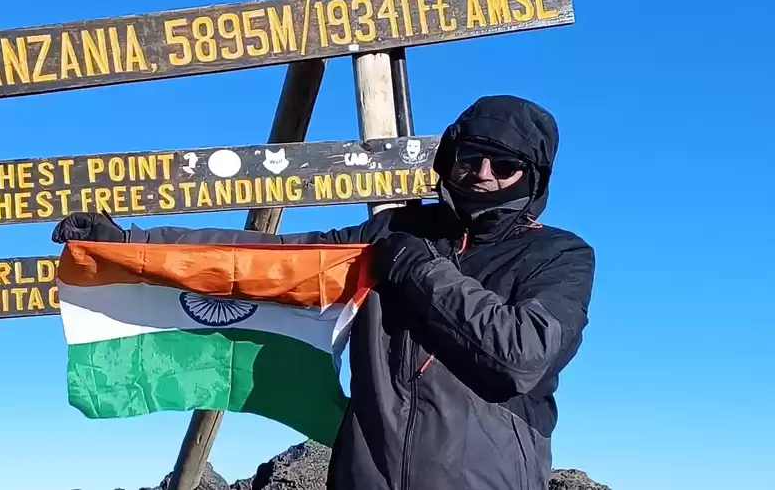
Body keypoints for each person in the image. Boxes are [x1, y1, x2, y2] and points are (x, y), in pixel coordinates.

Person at [52, 94, 595, 490]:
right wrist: (131, 242)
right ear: (446, 161)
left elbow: (522, 356)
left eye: (504, 166)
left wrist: (421, 270)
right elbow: (271, 258)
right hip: (365, 476)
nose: (482, 175)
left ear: (533, 178)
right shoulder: (393, 230)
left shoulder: (560, 256)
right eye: (469, 158)